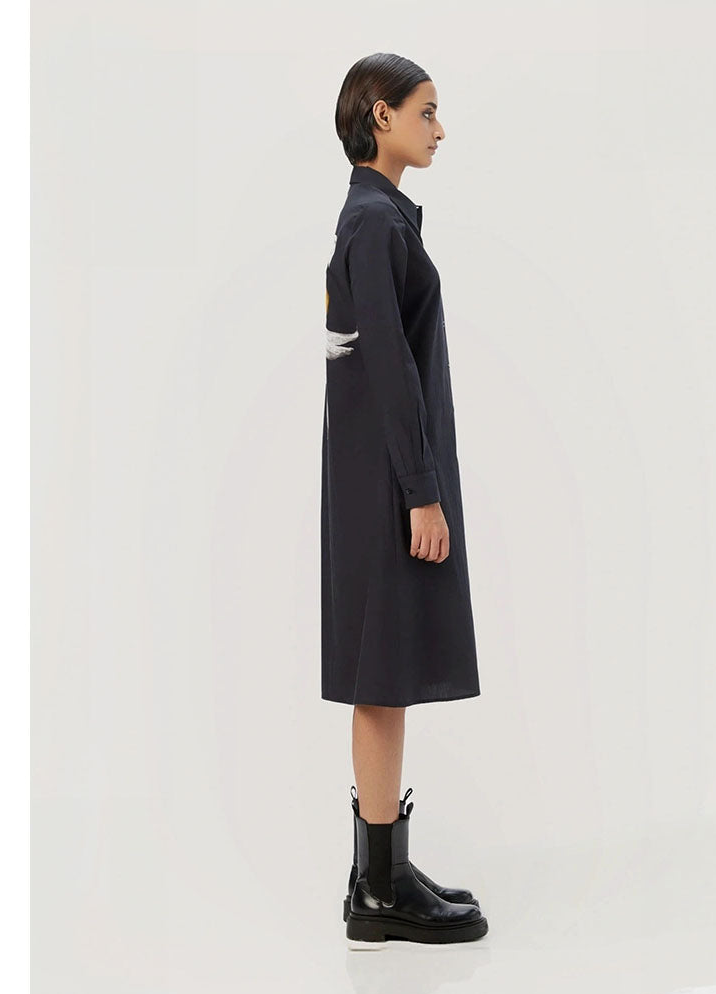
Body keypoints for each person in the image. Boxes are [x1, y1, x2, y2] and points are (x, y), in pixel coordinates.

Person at [322, 53, 488, 946]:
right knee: (380, 677)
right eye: (426, 111)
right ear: (379, 116)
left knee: (381, 678)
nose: (440, 128)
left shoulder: (374, 219)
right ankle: (379, 890)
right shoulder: (374, 223)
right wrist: (421, 495)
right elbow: (386, 367)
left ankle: (379, 874)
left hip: (375, 479)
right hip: (388, 486)